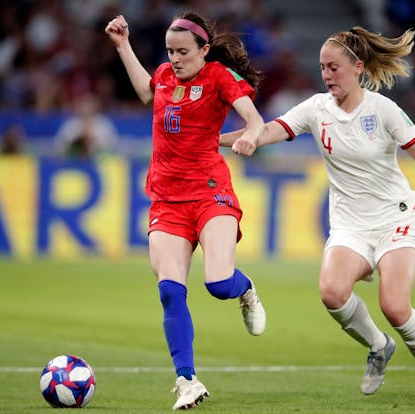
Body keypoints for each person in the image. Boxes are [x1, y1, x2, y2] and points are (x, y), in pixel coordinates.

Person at [221, 26, 415, 405]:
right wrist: (222, 139)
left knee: (394, 306)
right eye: (322, 68)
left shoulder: (383, 110)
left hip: (395, 219)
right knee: (331, 293)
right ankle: (379, 347)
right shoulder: (316, 109)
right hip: (351, 225)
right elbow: (267, 131)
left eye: (334, 67)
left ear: (358, 67)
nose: (327, 75)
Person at [105, 11, 267, 410]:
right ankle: (187, 380)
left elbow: (254, 118)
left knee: (217, 283)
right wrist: (123, 45)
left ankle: (245, 290)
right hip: (166, 198)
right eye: (169, 51)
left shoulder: (218, 78)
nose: (175, 59)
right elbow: (146, 93)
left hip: (211, 194)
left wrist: (251, 136)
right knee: (169, 291)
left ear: (204, 50)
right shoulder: (163, 75)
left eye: (182, 52)